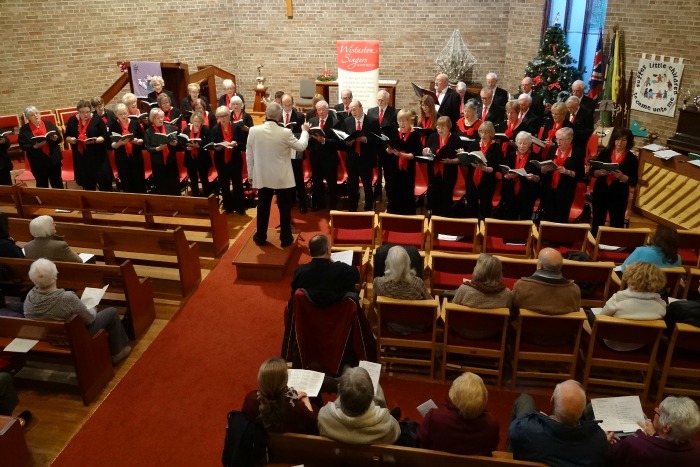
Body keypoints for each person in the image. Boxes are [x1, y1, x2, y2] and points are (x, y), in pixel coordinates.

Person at [23, 258, 131, 364]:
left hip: (45, 337)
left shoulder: (30, 296)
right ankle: (118, 352)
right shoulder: (67, 298)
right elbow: (90, 319)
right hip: (73, 337)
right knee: (111, 312)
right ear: (55, 275)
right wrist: (92, 307)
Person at [247, 102, 309, 247]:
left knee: (263, 206)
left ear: (266, 114)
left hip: (263, 174)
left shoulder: (253, 131)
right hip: (282, 177)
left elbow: (249, 155)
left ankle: (261, 236)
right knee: (284, 207)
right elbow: (301, 146)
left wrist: (251, 174)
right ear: (280, 116)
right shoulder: (285, 132)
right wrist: (305, 131)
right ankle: (286, 238)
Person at [508, 380, 608, 466]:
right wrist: (602, 440)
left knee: (525, 399)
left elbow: (514, 429)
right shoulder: (598, 441)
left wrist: (543, 419)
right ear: (582, 412)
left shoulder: (525, 429)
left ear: (552, 401)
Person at [418, 372, 499, 456]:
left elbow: (422, 441)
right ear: (484, 398)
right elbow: (492, 447)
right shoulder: (491, 424)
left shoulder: (434, 417)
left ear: (453, 396)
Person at [317, 366, 401, 445]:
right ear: (372, 396)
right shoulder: (385, 422)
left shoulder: (324, 415)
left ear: (339, 394)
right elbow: (396, 433)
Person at [607, 396, 700, 466]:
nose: (655, 410)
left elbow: (609, 459)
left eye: (658, 412)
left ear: (666, 428)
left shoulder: (634, 445)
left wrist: (605, 442)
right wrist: (654, 435)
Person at [597, 261, 666, 351]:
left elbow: (601, 320)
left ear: (630, 277)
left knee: (592, 315)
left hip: (612, 342)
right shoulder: (661, 305)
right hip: (641, 344)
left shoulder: (618, 299)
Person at [241, 357, 319, 435]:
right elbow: (314, 425)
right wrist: (306, 401)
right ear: (284, 383)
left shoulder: (250, 401)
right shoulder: (298, 410)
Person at [590, 128, 639, 235]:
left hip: (619, 194)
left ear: (628, 142)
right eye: (617, 139)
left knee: (616, 222)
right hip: (601, 191)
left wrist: (622, 177)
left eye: (623, 140)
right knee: (597, 219)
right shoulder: (605, 153)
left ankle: (613, 246)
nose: (620, 143)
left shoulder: (632, 159)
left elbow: (634, 181)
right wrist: (598, 172)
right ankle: (594, 242)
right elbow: (592, 171)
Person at [291, 234, 359, 307]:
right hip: (339, 315)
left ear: (310, 252)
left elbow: (295, 293)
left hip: (310, 316)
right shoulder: (342, 269)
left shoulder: (300, 272)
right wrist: (335, 263)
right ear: (328, 250)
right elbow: (357, 276)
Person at [512, 247, 581, 316]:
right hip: (562, 327)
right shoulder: (574, 290)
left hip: (527, 326)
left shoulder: (522, 286)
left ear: (540, 265)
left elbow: (513, 312)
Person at [539, 127, 584, 223]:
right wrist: (543, 170)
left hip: (565, 190)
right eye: (556, 139)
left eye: (561, 139)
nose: (557, 142)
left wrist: (567, 171)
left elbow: (580, 174)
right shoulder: (553, 149)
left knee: (561, 218)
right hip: (549, 189)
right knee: (548, 217)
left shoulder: (577, 152)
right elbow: (547, 165)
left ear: (569, 139)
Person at [64, 99, 111, 191]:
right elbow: (66, 136)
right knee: (88, 183)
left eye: (87, 112)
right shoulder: (72, 120)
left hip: (97, 155)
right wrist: (71, 139)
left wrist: (96, 140)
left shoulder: (97, 119)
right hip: (81, 156)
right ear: (78, 111)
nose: (85, 115)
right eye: (82, 112)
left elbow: (105, 136)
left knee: (104, 182)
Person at [343, 100, 379, 212]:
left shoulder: (372, 121)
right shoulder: (347, 121)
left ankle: (368, 208)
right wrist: (347, 142)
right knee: (352, 185)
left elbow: (378, 139)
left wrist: (365, 139)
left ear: (361, 108)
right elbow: (343, 137)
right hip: (352, 158)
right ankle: (352, 208)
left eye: (355, 109)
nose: (353, 112)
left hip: (366, 158)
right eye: (351, 110)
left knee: (367, 185)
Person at [422, 116, 461, 218]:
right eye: (438, 127)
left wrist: (451, 161)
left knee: (446, 197)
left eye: (443, 127)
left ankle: (445, 220)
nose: (440, 129)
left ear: (449, 127)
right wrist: (425, 151)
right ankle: (435, 219)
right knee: (434, 196)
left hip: (449, 172)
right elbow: (425, 150)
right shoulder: (433, 137)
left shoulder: (455, 139)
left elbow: (460, 159)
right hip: (434, 172)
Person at [384, 108, 420, 215]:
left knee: (406, 194)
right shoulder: (394, 133)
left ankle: (407, 218)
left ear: (410, 121)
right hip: (393, 169)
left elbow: (414, 155)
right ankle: (393, 216)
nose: (402, 123)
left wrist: (401, 155)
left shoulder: (415, 135)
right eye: (400, 121)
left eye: (404, 121)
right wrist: (388, 150)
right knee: (393, 192)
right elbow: (387, 148)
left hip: (407, 171)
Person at [498, 131, 541, 221]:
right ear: (516, 143)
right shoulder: (510, 155)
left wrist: (534, 177)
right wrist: (507, 176)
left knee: (525, 218)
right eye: (520, 143)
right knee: (510, 217)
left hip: (527, 193)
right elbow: (505, 172)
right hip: (511, 192)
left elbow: (539, 177)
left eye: (525, 143)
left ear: (529, 144)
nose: (522, 146)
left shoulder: (535, 157)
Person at [18, 105, 64, 188]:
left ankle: (60, 200)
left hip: (53, 159)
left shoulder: (48, 124)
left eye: (37, 113)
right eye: (32, 115)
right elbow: (23, 145)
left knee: (57, 182)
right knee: (42, 184)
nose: (36, 116)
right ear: (28, 118)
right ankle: (44, 201)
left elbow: (59, 138)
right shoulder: (24, 130)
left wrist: (56, 138)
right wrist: (34, 147)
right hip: (37, 162)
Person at [211, 105, 245, 214]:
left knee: (237, 184)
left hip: (235, 160)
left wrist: (235, 144)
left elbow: (243, 144)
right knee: (224, 185)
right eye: (220, 116)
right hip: (221, 161)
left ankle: (240, 207)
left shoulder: (236, 127)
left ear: (229, 115)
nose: (223, 118)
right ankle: (228, 207)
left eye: (225, 115)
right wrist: (218, 147)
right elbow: (213, 145)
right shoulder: (215, 129)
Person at [465, 121, 503, 220]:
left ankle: (484, 231)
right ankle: (471, 230)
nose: (483, 135)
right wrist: (464, 156)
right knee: (471, 206)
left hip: (487, 181)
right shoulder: (474, 144)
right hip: (472, 180)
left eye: (486, 132)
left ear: (491, 133)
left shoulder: (496, 148)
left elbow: (496, 168)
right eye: (481, 132)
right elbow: (468, 159)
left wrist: (484, 168)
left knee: (485, 208)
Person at [307, 100, 339, 211]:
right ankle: (319, 205)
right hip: (316, 157)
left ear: (328, 110)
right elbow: (308, 142)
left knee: (331, 184)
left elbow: (337, 142)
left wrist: (324, 140)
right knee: (317, 182)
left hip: (329, 158)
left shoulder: (335, 122)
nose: (321, 112)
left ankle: (333, 206)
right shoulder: (312, 121)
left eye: (323, 110)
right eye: (319, 110)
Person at [368, 90, 398, 200]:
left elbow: (395, 130)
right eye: (378, 100)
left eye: (382, 100)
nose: (380, 102)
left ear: (387, 100)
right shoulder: (371, 111)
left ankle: (389, 190)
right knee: (376, 168)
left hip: (386, 146)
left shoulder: (394, 112)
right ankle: (377, 188)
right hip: (375, 145)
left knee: (388, 170)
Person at [280, 94, 308, 213]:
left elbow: (302, 133)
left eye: (289, 105)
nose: (287, 107)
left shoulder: (299, 116)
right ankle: (289, 201)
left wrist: (292, 132)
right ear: (281, 104)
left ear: (292, 103)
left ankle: (303, 203)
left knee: (298, 177)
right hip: (282, 151)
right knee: (285, 178)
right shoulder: (277, 115)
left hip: (295, 150)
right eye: (285, 105)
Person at [111, 103, 146, 194]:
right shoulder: (113, 126)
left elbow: (143, 139)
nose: (123, 116)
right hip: (122, 158)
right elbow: (112, 144)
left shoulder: (134, 123)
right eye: (120, 114)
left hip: (136, 156)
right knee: (126, 182)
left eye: (125, 113)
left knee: (139, 181)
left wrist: (137, 141)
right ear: (116, 115)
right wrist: (119, 143)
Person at [143, 108, 180, 195]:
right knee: (161, 184)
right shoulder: (149, 131)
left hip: (170, 160)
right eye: (157, 118)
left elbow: (176, 140)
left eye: (162, 117)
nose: (160, 120)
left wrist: (175, 143)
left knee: (173, 183)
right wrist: (157, 149)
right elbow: (148, 147)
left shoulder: (169, 127)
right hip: (158, 161)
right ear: (152, 119)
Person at [180, 110, 212, 197]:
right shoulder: (187, 130)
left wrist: (199, 146)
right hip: (190, 158)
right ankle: (196, 197)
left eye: (198, 121)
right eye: (195, 121)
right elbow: (182, 143)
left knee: (204, 179)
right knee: (193, 180)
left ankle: (207, 198)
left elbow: (209, 144)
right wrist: (186, 148)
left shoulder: (206, 130)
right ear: (192, 121)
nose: (196, 123)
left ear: (202, 121)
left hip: (202, 158)